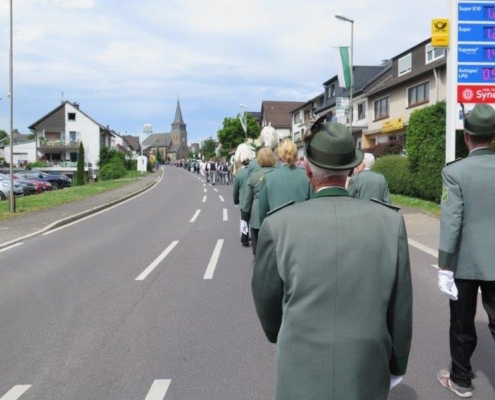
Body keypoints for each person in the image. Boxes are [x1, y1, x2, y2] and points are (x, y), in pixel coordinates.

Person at [252, 119, 412, 400]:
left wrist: (279, 337)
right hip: (366, 368)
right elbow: (401, 307)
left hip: (299, 370)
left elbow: (266, 302)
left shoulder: (278, 225)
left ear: (308, 170)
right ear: (351, 169)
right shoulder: (390, 223)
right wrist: (398, 363)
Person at [436, 103, 495, 399]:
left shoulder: (454, 171)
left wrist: (444, 263)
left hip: (465, 262)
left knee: (461, 322)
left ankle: (460, 379)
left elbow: (452, 221)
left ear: (466, 136)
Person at [257, 138, 313, 226]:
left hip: (276, 227)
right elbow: (313, 207)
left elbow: (263, 212)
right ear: (296, 154)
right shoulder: (307, 176)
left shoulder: (268, 177)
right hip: (302, 226)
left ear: (279, 156)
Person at [241, 148, 277, 256]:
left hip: (257, 215)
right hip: (275, 210)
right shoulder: (278, 172)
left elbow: (247, 199)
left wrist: (244, 217)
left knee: (257, 247)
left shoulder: (254, 175)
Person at [233, 143, 256, 247]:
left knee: (244, 221)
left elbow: (235, 190)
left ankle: (244, 239)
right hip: (254, 199)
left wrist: (235, 200)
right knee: (254, 220)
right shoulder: (255, 171)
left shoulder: (238, 174)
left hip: (243, 200)